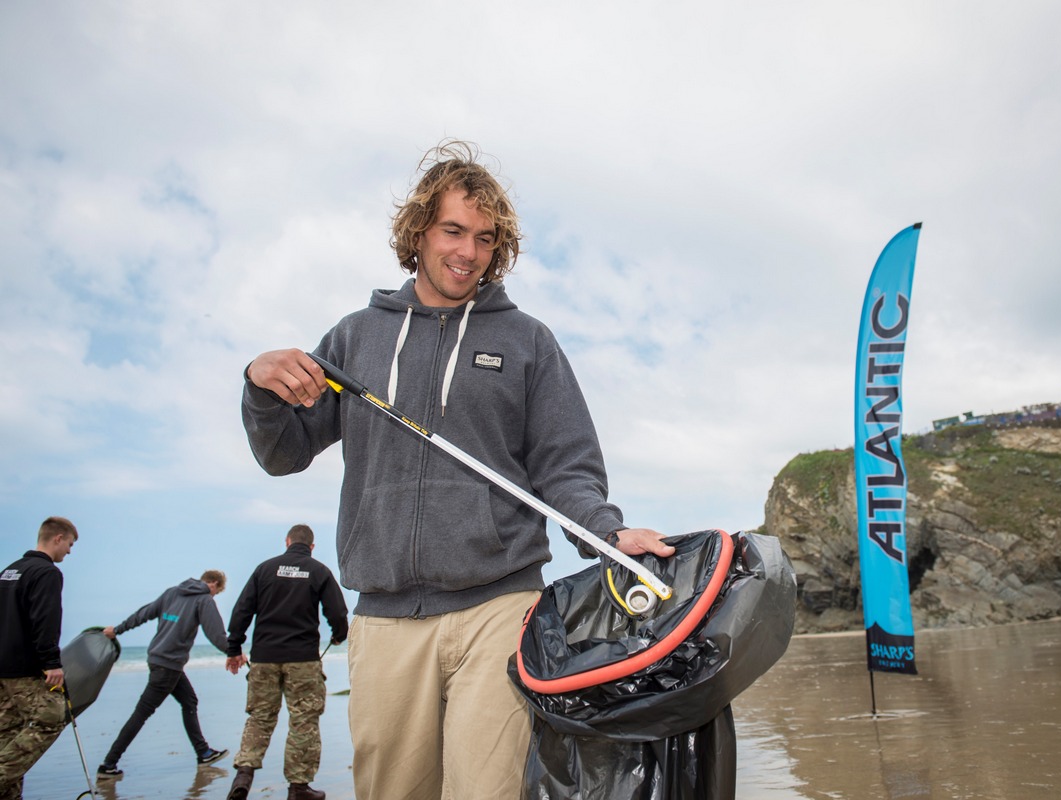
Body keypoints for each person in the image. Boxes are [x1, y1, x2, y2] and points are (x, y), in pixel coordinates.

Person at [240, 140, 675, 800]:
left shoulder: (527, 341)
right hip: (384, 618)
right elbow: (284, 453)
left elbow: (567, 468)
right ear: (418, 231)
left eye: (483, 238)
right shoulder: (354, 339)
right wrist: (259, 387)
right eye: (452, 230)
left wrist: (607, 535)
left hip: (500, 603)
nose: (467, 252)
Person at [223, 524, 349, 800]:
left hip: (264, 658)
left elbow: (242, 610)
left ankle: (244, 775)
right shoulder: (318, 572)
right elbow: (337, 612)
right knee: (304, 720)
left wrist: (234, 647)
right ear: (312, 546)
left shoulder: (265, 570)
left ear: (287, 541)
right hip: (302, 659)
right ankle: (298, 788)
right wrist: (339, 636)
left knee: (260, 717)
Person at [96, 570, 231, 780]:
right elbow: (215, 634)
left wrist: (119, 630)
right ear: (213, 583)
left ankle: (203, 752)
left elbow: (144, 614)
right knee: (141, 713)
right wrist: (234, 651)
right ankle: (109, 763)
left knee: (189, 701)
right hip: (168, 667)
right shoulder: (204, 600)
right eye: (216, 592)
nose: (214, 596)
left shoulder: (172, 593)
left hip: (160, 661)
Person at [0, 517, 77, 800]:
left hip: (3, 670)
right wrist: (51, 663)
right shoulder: (46, 573)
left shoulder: (9, 571)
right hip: (24, 670)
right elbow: (45, 620)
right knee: (52, 717)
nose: (69, 551)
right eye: (69, 544)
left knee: (8, 735)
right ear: (57, 538)